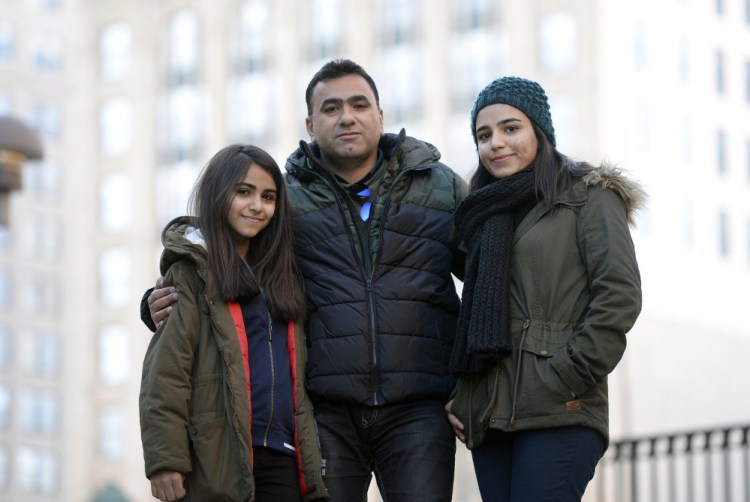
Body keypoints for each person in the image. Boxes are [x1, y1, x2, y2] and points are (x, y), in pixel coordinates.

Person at [142, 59, 467, 501]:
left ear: (380, 116)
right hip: (324, 413)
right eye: (331, 108)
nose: (347, 116)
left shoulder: (441, 186)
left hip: (419, 409)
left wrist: (474, 382)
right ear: (311, 124)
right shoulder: (283, 200)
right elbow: (220, 265)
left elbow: (491, 283)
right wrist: (154, 301)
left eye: (359, 104)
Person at [445, 76, 645, 501]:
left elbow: (618, 296)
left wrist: (564, 376)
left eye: (510, 128)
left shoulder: (587, 195)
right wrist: (463, 395)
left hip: (562, 408)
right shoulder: (481, 215)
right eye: (484, 134)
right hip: (492, 416)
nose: (495, 143)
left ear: (539, 131)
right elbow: (471, 316)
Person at [139, 144, 328, 502]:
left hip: (285, 455)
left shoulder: (285, 279)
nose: (257, 205)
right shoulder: (191, 274)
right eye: (244, 192)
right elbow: (166, 373)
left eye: (268, 196)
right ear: (217, 193)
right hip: (217, 455)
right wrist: (165, 460)